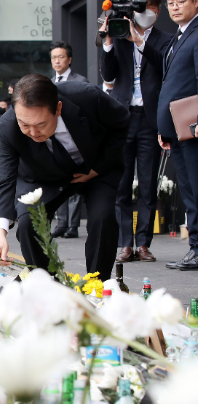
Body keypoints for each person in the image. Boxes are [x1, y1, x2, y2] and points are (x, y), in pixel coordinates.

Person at [0, 74, 130, 281]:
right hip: (43, 176)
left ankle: (97, 286)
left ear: (58, 109)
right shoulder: (7, 127)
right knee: (29, 224)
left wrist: (97, 169)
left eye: (40, 124)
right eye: (24, 124)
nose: (33, 132)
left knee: (103, 218)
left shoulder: (87, 97)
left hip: (94, 168)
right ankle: (46, 284)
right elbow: (3, 179)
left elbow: (121, 124)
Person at [100, 0, 172, 263]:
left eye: (149, 7)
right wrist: (108, 41)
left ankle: (143, 243)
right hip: (123, 117)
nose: (144, 13)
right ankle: (125, 244)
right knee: (121, 184)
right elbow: (108, 76)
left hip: (150, 119)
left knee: (148, 184)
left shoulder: (166, 39)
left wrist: (139, 41)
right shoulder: (119, 36)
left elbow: (165, 66)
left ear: (157, 11)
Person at [157, 0, 198, 270]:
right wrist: (165, 129)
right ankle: (195, 248)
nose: (174, 7)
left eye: (180, 1)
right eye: (170, 3)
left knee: (196, 188)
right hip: (177, 130)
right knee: (189, 191)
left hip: (193, 127)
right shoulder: (178, 37)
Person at [50, 41, 89, 239]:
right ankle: (61, 222)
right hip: (55, 138)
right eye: (54, 58)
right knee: (60, 182)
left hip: (74, 138)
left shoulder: (80, 80)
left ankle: (73, 225)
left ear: (69, 59)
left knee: (74, 182)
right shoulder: (48, 82)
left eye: (61, 57)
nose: (57, 61)